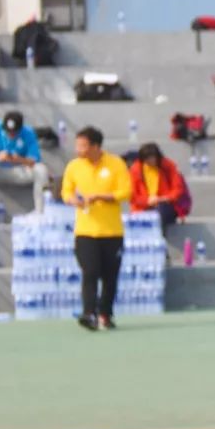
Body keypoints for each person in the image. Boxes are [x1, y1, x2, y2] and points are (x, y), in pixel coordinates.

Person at [60, 127, 131, 331]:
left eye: (82, 146)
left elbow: (125, 192)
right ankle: (88, 313)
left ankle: (105, 313)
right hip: (85, 231)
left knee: (110, 276)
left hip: (112, 231)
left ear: (95, 146)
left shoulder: (115, 164)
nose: (78, 150)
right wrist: (73, 200)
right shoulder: (74, 166)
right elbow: (66, 191)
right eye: (77, 145)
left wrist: (101, 196)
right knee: (90, 271)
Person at [0, 111, 51, 217]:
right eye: (8, 131)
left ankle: (40, 212)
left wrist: (17, 159)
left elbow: (34, 160)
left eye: (14, 132)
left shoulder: (28, 133)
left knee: (41, 169)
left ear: (20, 128)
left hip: (18, 171)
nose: (11, 134)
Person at [128, 142, 189, 234]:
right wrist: (147, 201)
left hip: (165, 205)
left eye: (153, 157)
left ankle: (160, 238)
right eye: (147, 159)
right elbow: (132, 195)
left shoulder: (168, 166)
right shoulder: (135, 170)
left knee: (159, 213)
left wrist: (162, 199)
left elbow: (178, 189)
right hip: (143, 207)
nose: (151, 161)